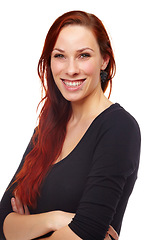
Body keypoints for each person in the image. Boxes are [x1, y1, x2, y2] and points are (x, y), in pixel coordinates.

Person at [0, 10, 141, 240]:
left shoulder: (119, 128)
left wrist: (27, 228)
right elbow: (3, 221)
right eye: (60, 56)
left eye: (84, 55)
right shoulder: (46, 129)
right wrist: (54, 219)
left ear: (104, 60)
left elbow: (86, 232)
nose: (71, 69)